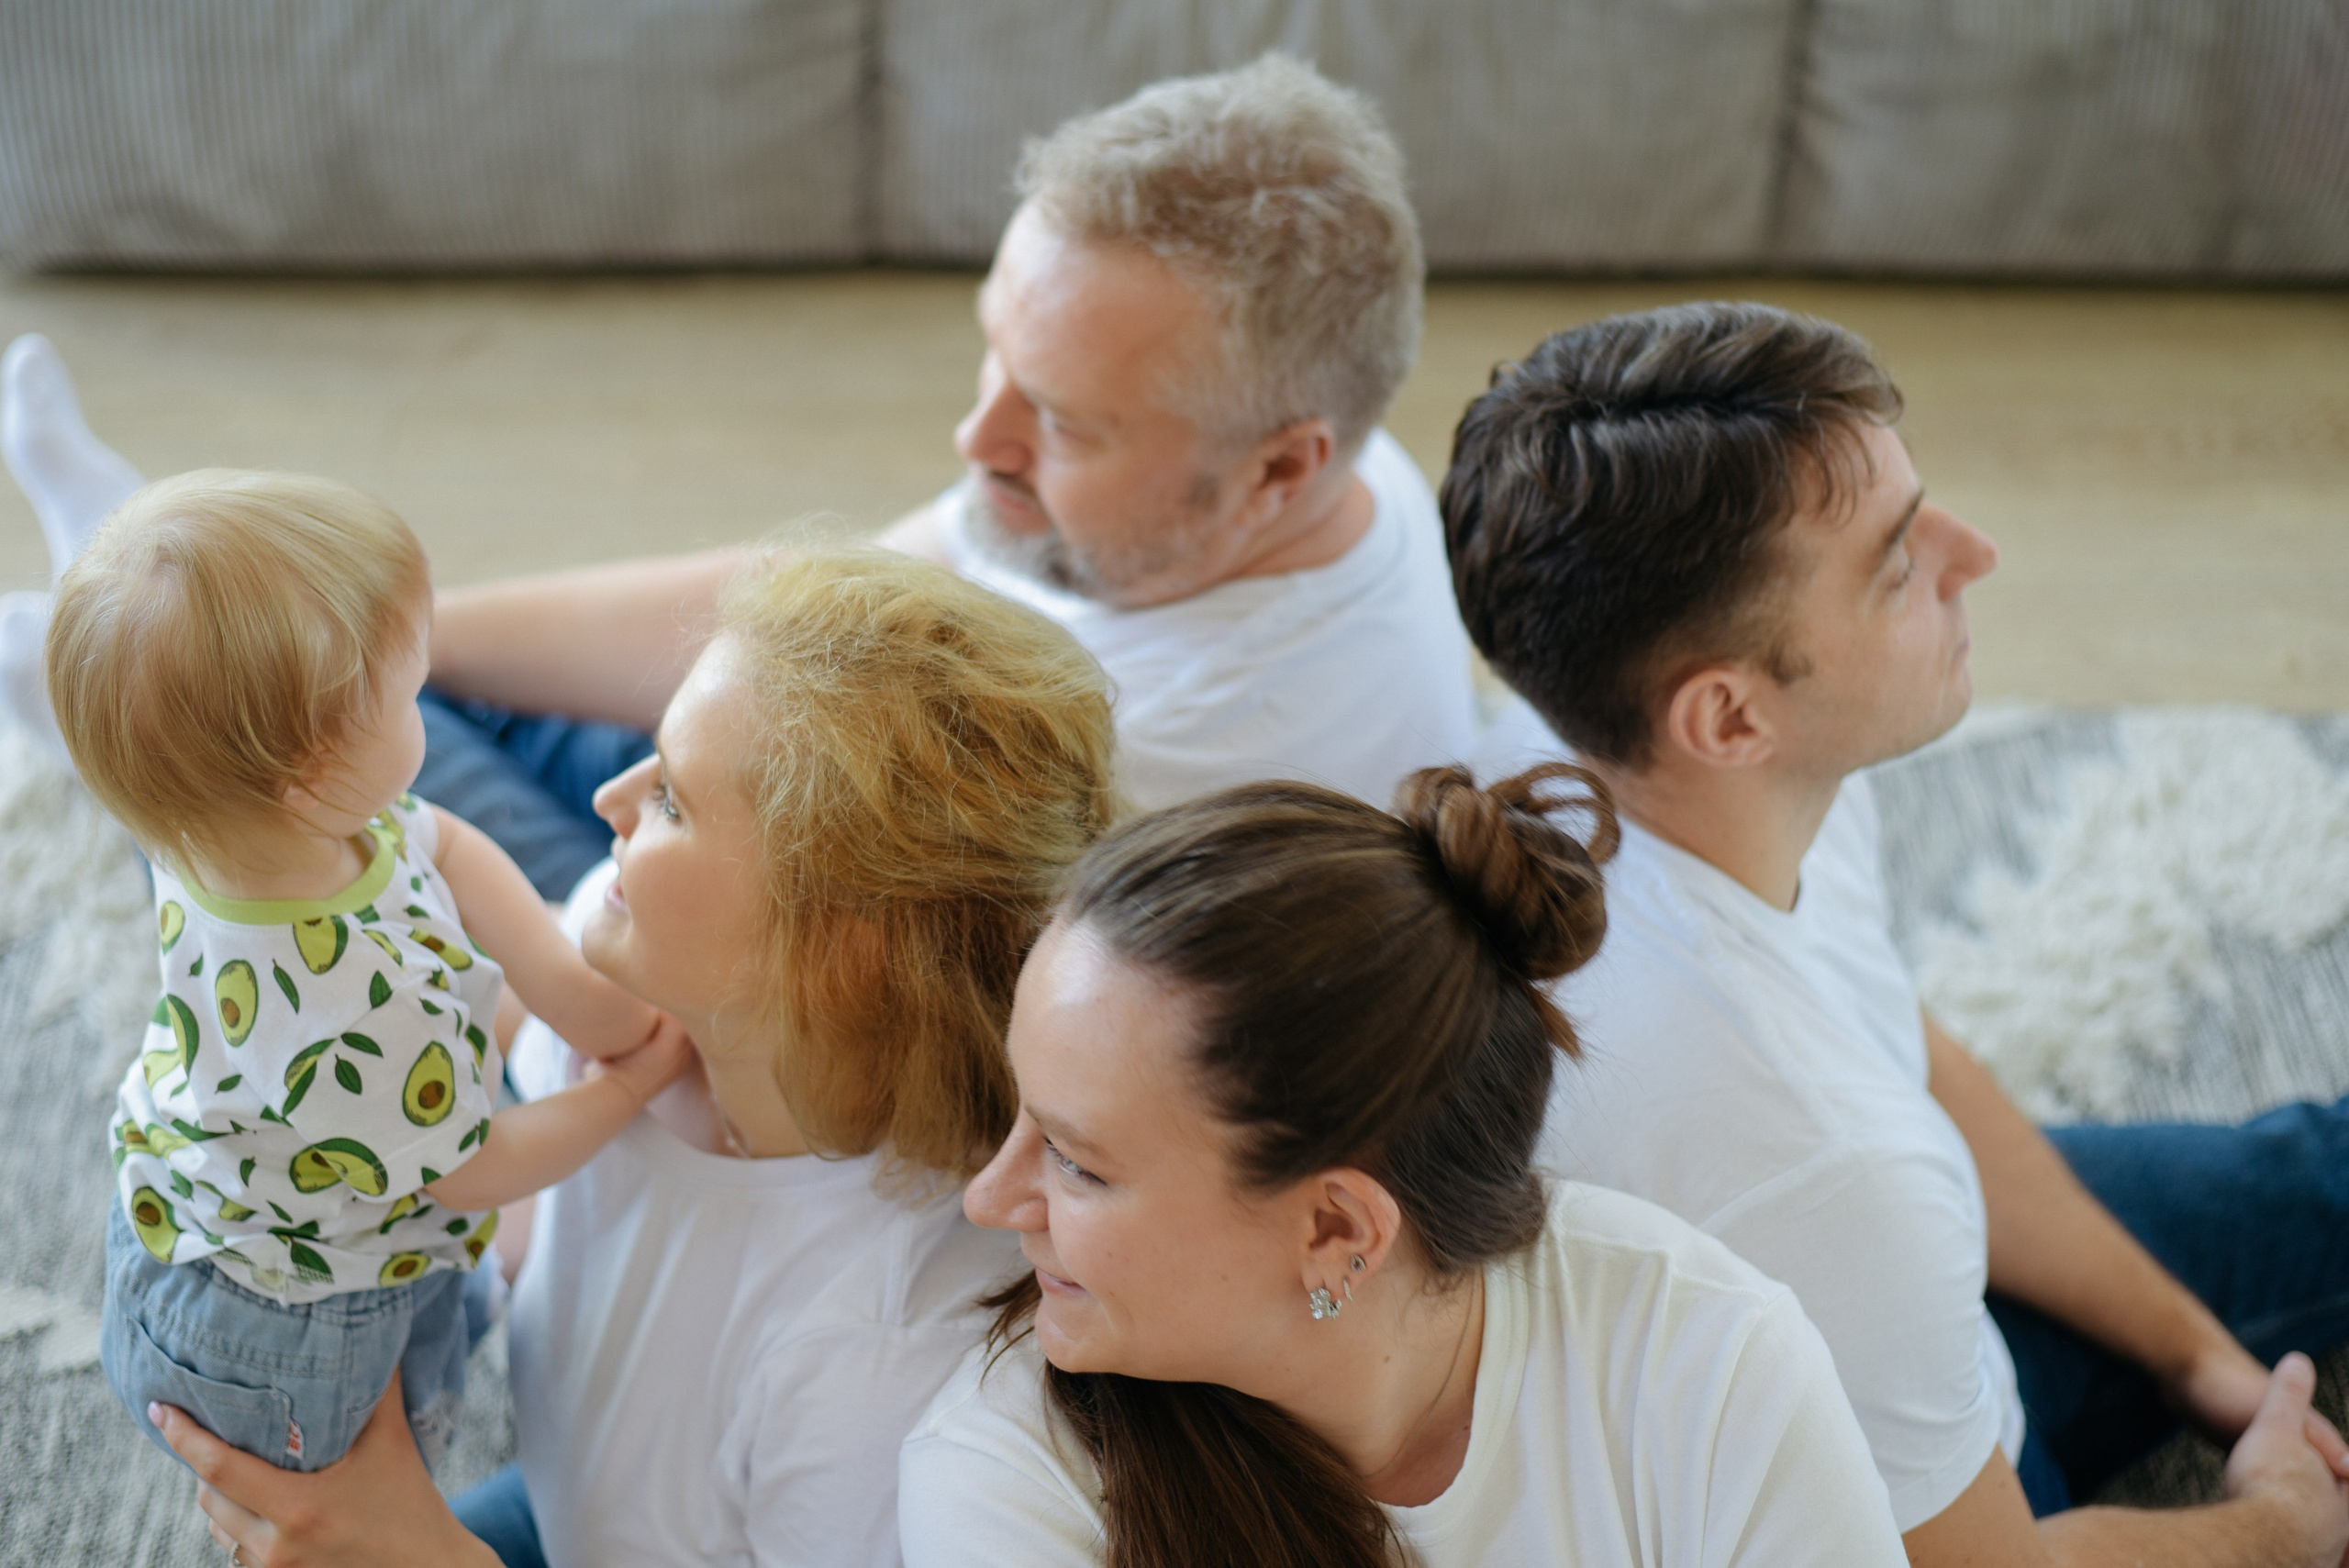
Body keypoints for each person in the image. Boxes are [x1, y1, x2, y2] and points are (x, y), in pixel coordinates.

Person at [1, 54, 1479, 898]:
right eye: (994, 362)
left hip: (765, 958)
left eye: (1069, 424)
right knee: (395, 668)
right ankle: (161, 608)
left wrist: (323, 679)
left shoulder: (1178, 770)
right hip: (822, 782)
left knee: (305, 765)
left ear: (1280, 466)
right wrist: (392, 626)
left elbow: (728, 989)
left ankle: (140, 689)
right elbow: (792, 604)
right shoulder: (1323, 473)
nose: (982, 444)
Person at [1442, 300, 2349, 1566]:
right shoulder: (1819, 1172)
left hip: (1869, 1286)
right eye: (1896, 561)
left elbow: (1890, 1056)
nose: (1973, 552)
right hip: (1845, 1471)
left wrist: (2197, 1352)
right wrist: (2279, 1525)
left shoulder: (1572, 765)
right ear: (1729, 715)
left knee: (2307, 1175)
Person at [150, 550, 1122, 1568]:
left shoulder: (881, 1354)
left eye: (673, 802)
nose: (612, 795)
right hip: (576, 1502)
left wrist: (425, 1551)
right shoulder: (640, 993)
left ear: (840, 947)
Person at [898, 765, 1911, 1566]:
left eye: (1075, 1162)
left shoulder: (1704, 1358)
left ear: (1338, 1229)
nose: (990, 1196)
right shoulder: (1009, 1485)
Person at [52, 469, 689, 1473]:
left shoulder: (230, 824)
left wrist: (571, 988)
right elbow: (475, 1165)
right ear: (309, 773)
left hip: (235, 1189)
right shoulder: (344, 1010)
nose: (424, 696)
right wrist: (628, 1083)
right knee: (387, 1459)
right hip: (288, 1326)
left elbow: (435, 838)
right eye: (407, 690)